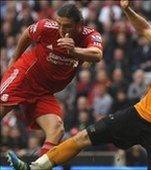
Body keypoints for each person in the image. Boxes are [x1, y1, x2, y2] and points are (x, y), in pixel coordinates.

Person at [7, 0, 151, 170]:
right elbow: (146, 30)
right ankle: (36, 167)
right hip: (137, 115)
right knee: (82, 137)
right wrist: (128, 10)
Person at [1, 3, 103, 157]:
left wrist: (74, 50)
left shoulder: (90, 35)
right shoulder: (46, 27)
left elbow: (97, 55)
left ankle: (38, 167)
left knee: (57, 129)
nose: (62, 30)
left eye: (67, 26)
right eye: (59, 24)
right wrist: (15, 58)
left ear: (79, 25)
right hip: (25, 76)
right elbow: (28, 34)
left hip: (44, 92)